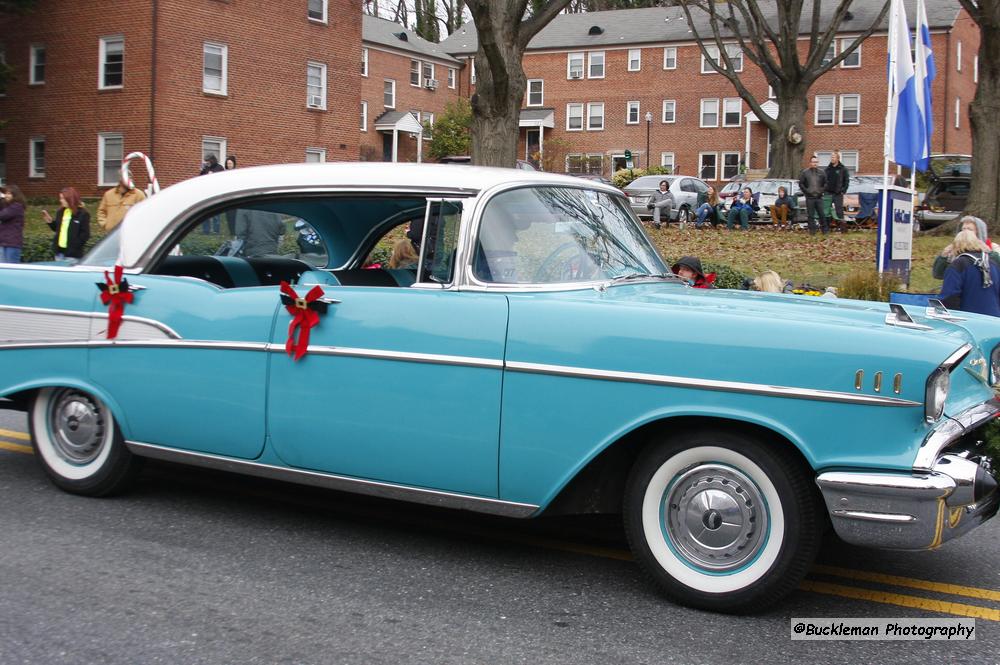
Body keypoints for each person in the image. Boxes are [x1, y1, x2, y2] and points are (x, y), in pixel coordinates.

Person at [939, 230, 1000, 316]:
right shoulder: (993, 264)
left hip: (969, 318)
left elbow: (949, 297)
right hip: (994, 318)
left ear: (956, 245)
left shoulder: (958, 265)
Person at [932, 217, 1000, 279]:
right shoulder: (953, 250)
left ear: (979, 232)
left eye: (970, 230)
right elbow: (938, 275)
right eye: (963, 229)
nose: (965, 232)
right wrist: (944, 256)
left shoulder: (993, 248)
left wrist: (988, 252)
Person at [41, 187, 90, 260]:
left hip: (73, 255)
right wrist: (50, 222)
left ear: (70, 199)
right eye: (60, 198)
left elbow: (85, 234)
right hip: (59, 253)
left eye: (62, 198)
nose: (60, 201)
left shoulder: (82, 214)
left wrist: (75, 246)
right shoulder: (60, 212)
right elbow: (58, 229)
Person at [799, 155, 827, 235]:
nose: (815, 164)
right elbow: (801, 184)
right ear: (810, 163)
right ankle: (812, 231)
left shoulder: (822, 172)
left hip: (819, 197)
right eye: (813, 162)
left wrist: (821, 191)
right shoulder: (805, 172)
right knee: (811, 215)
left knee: (822, 214)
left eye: (816, 162)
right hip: (809, 198)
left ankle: (824, 230)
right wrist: (806, 191)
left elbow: (826, 183)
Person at [824, 151, 850, 232]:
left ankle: (842, 229)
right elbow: (824, 180)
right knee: (827, 210)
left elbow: (846, 181)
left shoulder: (843, 169)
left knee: (839, 211)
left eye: (833, 157)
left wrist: (843, 191)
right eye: (831, 157)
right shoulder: (827, 169)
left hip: (838, 194)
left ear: (838, 158)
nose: (832, 158)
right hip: (828, 193)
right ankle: (826, 228)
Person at [0, 184, 26, 263]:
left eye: (9, 193)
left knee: (11, 269)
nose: (6, 195)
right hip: (4, 242)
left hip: (12, 244)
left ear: (15, 195)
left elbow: (3, 215)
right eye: (5, 193)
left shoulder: (17, 206)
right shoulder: (7, 206)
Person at [200, 154, 225, 234]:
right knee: (205, 212)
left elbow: (223, 179)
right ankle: (206, 230)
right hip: (206, 192)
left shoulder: (219, 168)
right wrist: (202, 171)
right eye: (206, 162)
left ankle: (216, 230)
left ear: (212, 160)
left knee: (216, 213)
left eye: (208, 161)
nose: (207, 163)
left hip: (216, 192)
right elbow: (200, 179)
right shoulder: (205, 168)